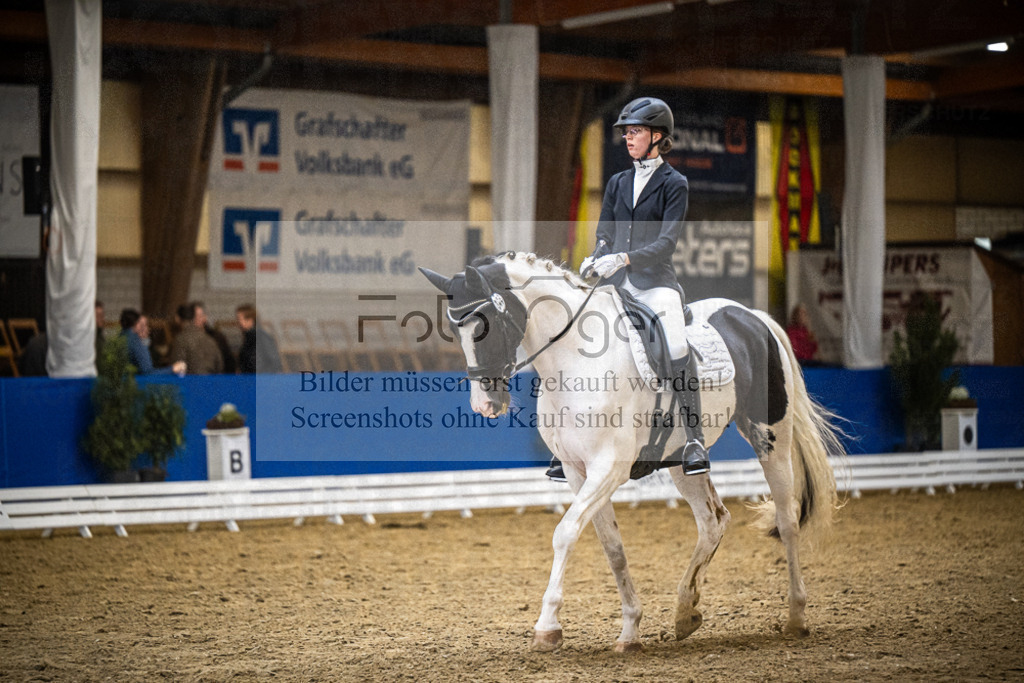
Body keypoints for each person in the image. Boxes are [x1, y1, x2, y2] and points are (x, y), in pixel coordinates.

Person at [547, 96, 709, 480]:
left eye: (635, 132)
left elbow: (667, 242)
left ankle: (694, 439)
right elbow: (605, 233)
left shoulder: (675, 183)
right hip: (616, 285)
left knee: (676, 342)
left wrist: (624, 259)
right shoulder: (618, 182)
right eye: (627, 132)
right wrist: (597, 255)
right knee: (579, 336)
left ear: (657, 136)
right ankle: (566, 445)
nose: (628, 138)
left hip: (656, 284)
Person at [119, 308, 186, 376]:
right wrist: (173, 369)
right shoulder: (136, 342)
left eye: (146, 325)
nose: (147, 329)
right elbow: (148, 373)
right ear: (136, 324)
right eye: (142, 325)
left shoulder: (120, 338)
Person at [170, 302, 224, 375]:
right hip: (210, 382)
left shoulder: (180, 339)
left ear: (177, 318)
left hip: (190, 383)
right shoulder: (210, 339)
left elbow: (177, 367)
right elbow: (219, 365)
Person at [192, 300, 237, 374]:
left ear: (205, 317)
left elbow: (228, 361)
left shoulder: (216, 337)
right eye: (194, 317)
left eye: (199, 316)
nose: (196, 319)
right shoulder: (185, 337)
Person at [236, 303, 283, 374]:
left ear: (250, 320)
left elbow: (274, 362)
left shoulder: (261, 337)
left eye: (239, 319)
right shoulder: (249, 338)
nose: (238, 322)